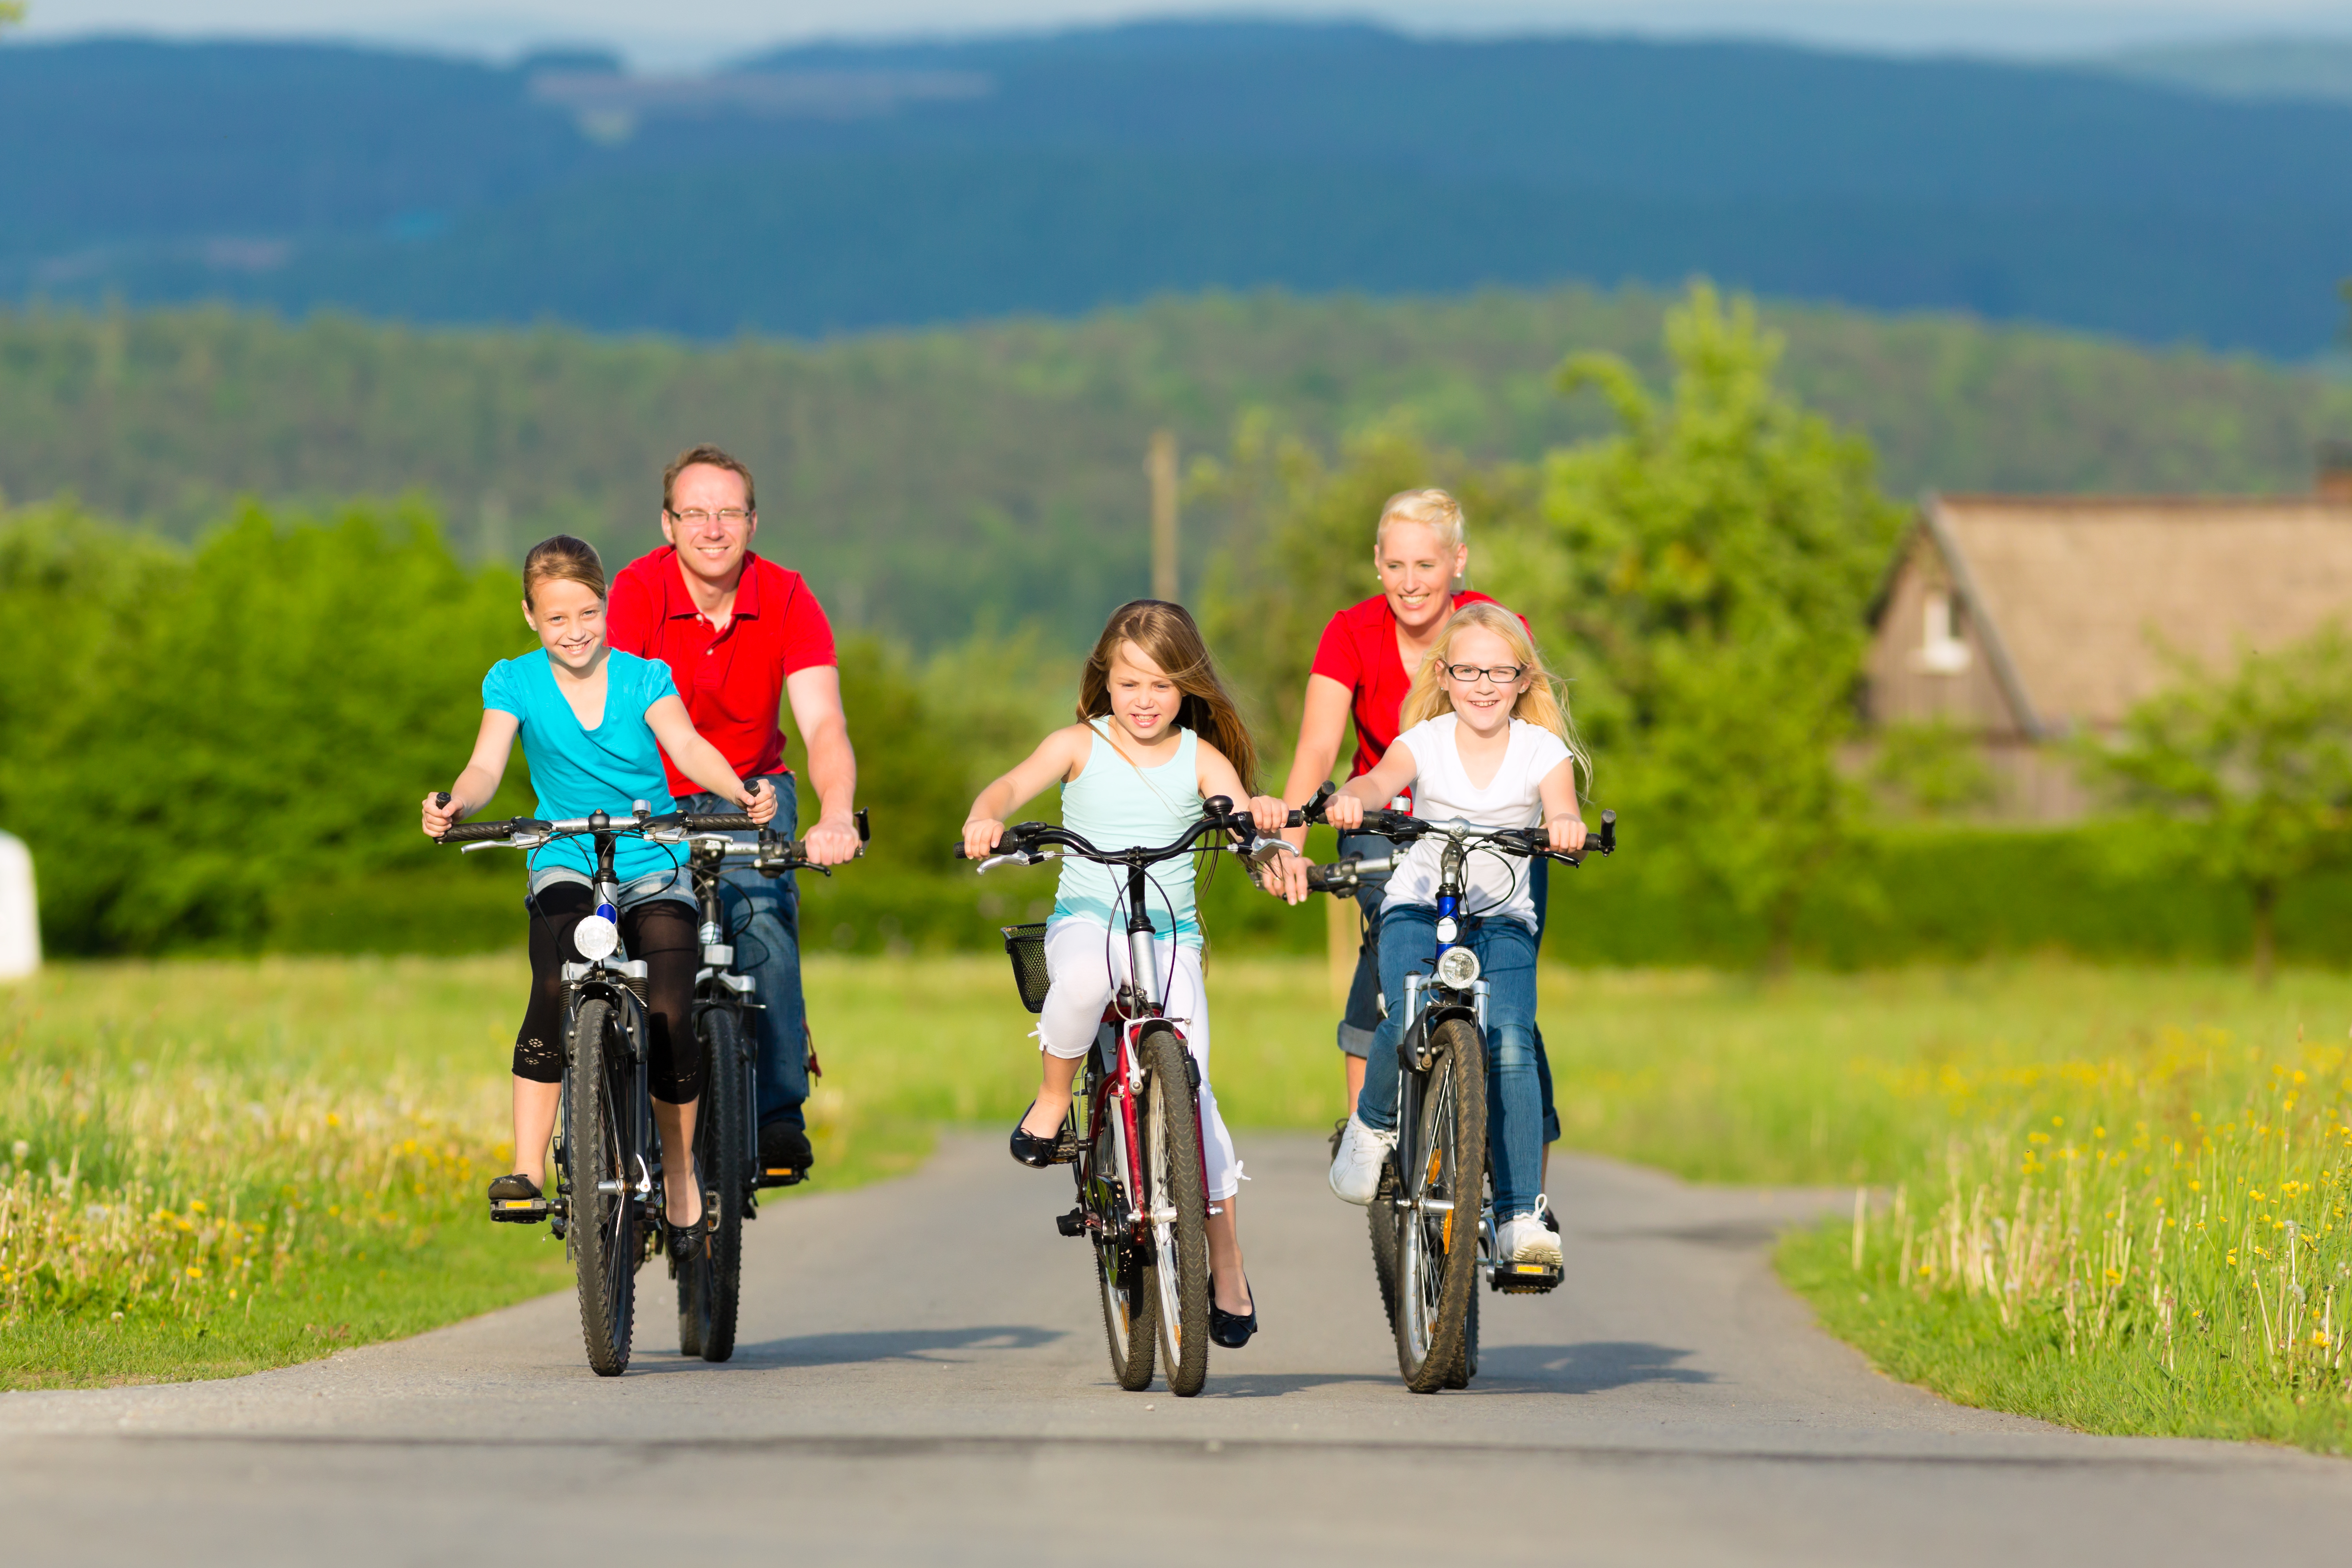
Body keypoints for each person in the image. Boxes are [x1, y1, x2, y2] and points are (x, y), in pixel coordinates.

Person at [420, 535, 777, 1259]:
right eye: (557, 619)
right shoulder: (512, 682)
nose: (575, 631)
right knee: (552, 983)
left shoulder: (647, 678)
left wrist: (737, 790)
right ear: (529, 617)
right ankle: (526, 1167)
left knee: (673, 1006)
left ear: (606, 605)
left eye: (587, 612)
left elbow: (687, 748)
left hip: (653, 859)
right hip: (566, 858)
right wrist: (456, 802)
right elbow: (486, 765)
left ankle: (679, 1174)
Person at [961, 600, 1291, 1348]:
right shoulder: (1078, 744)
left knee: (1198, 1103)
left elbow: (1240, 823)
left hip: (1170, 937)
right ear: (1104, 680)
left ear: (1189, 689)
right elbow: (1007, 790)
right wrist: (986, 817)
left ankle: (1227, 1262)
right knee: (1077, 985)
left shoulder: (1201, 757)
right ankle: (1051, 1101)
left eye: (1164, 685)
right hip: (1088, 921)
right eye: (1130, 682)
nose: (1145, 700)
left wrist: (1271, 851)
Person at [1265, 489, 1563, 1164]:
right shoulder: (1351, 631)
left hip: (1492, 823)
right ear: (1376, 563)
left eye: (1425, 565)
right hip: (1383, 816)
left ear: (1458, 561)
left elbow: (1539, 735)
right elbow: (1317, 751)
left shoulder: (1494, 628)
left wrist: (1554, 818)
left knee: (1509, 989)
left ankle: (1525, 1177)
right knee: (1395, 939)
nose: (1410, 583)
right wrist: (1290, 846)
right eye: (1395, 565)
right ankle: (1373, 1132)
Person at [607, 444, 859, 1187]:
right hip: (648, 793)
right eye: (695, 513)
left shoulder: (784, 596)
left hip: (754, 793)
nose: (712, 528)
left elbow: (823, 726)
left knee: (762, 920)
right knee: (628, 939)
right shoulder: (637, 591)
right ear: (667, 524)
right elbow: (616, 711)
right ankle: (619, 1095)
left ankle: (779, 1112)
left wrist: (836, 814)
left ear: (753, 520)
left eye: (728, 512)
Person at [1321, 603, 1588, 1268]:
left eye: (1501, 671)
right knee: (1404, 1013)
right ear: (1443, 674)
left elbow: (1562, 804)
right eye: (1468, 670)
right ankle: (1373, 1126)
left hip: (1502, 921)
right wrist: (1359, 795)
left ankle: (1520, 1216)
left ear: (1525, 680)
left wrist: (1565, 825)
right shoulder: (1428, 739)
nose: (1484, 684)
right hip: (1418, 906)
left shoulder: (1541, 751)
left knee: (1515, 1045)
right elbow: (1383, 778)